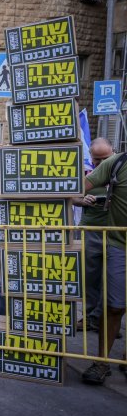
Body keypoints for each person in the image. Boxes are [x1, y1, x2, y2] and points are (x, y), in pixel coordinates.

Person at [81, 144, 127, 385]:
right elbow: (80, 186)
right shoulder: (117, 162)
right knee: (114, 307)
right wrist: (80, 199)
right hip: (119, 245)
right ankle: (101, 363)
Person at [73, 138, 115, 332]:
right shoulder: (87, 174)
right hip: (90, 232)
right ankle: (90, 318)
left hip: (116, 235)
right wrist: (82, 200)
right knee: (90, 278)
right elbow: (71, 195)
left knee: (113, 280)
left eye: (105, 158)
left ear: (113, 153)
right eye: (96, 160)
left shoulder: (121, 173)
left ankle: (108, 321)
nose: (100, 164)